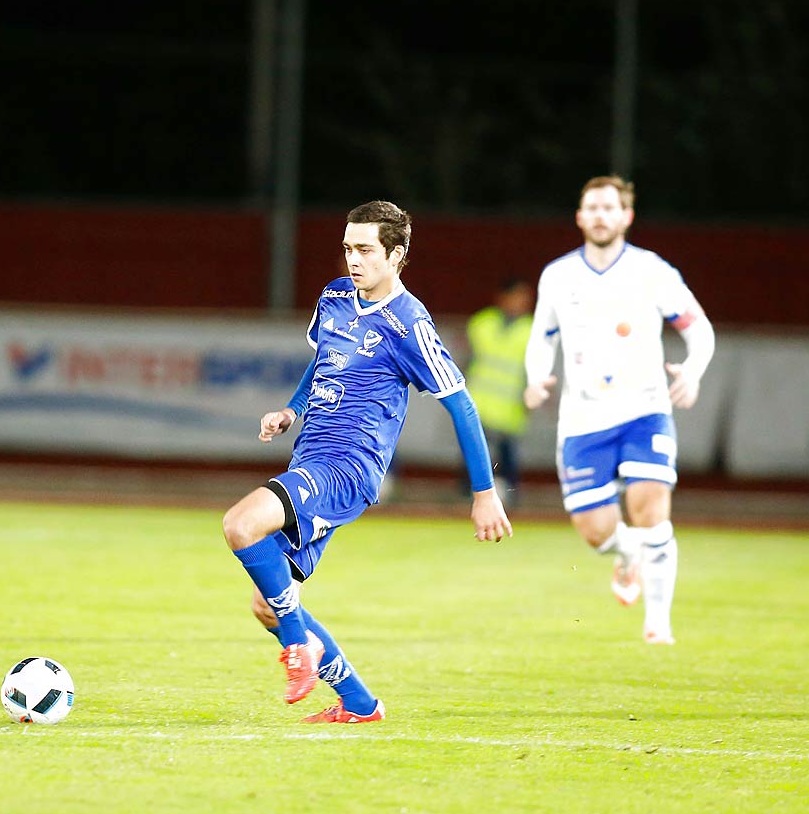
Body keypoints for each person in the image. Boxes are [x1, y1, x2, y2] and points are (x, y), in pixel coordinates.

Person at [222, 201, 512, 723]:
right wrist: (292, 409)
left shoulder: (409, 324)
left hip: (347, 468)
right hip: (310, 456)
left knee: (241, 524)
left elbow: (460, 402)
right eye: (348, 248)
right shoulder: (334, 299)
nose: (352, 260)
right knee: (268, 603)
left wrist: (484, 492)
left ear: (396, 255)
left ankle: (298, 649)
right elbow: (322, 362)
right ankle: (359, 704)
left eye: (365, 250)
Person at [522, 176, 715, 645]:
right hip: (583, 419)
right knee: (595, 532)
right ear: (580, 216)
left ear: (626, 216)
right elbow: (541, 337)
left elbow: (699, 328)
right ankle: (626, 552)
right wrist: (536, 377)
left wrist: (693, 370)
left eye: (610, 207)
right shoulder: (558, 275)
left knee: (649, 508)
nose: (601, 215)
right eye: (592, 207)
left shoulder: (653, 272)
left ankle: (659, 626)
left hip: (644, 409)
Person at [463, 277, 535, 501]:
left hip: (509, 408)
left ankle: (510, 501)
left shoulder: (532, 329)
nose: (521, 302)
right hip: (477, 403)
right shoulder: (482, 323)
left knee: (507, 458)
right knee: (472, 455)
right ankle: (465, 500)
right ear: (503, 297)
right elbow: (466, 361)